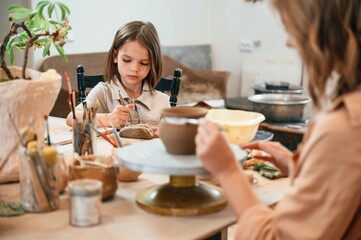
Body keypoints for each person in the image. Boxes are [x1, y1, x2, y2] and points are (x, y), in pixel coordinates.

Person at [195, 0, 361, 239]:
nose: (288, 42)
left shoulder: (345, 129)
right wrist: (300, 167)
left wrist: (228, 170)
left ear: (326, 27)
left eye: (291, 27)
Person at [66, 21, 170, 128]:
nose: (134, 69)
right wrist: (108, 119)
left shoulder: (163, 101)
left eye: (144, 63)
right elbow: (71, 118)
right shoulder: (103, 92)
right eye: (127, 60)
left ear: (153, 64)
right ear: (115, 56)